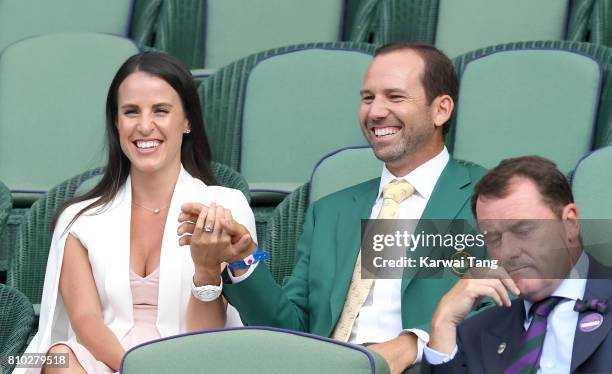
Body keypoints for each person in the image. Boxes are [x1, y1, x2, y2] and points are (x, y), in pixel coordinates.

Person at [179, 43, 487, 373]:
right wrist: (244, 258)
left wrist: (415, 343)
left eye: (395, 97)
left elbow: (519, 306)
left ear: (441, 109)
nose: (376, 111)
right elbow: (289, 329)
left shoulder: (487, 198)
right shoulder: (330, 211)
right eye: (368, 98)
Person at [19, 52, 255, 373]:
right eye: (131, 112)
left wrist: (206, 271)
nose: (145, 126)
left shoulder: (226, 208)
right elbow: (86, 323)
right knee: (60, 356)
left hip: (194, 364)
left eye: (161, 110)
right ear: (116, 122)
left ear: (187, 121)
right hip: (110, 362)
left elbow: (210, 335)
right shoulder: (78, 219)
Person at [423, 156, 612, 373]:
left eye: (523, 230)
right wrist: (442, 324)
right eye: (493, 238)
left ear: (570, 223)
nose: (508, 252)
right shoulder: (474, 332)